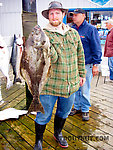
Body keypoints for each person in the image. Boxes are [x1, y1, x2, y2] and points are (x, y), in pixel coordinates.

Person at [33, 2, 86, 150]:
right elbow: (47, 59)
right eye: (51, 13)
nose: (54, 16)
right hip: (49, 84)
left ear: (63, 15)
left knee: (64, 112)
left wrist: (82, 74)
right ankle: (38, 141)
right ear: (47, 16)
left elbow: (80, 55)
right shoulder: (42, 34)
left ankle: (58, 133)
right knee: (43, 115)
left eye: (57, 13)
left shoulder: (73, 33)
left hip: (71, 84)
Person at [69, 8, 102, 121]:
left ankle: (85, 109)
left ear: (83, 16)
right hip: (74, 65)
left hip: (87, 64)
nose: (74, 17)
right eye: (73, 15)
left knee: (84, 88)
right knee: (76, 87)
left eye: (76, 15)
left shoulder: (91, 29)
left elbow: (96, 47)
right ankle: (77, 107)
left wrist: (96, 64)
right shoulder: (71, 29)